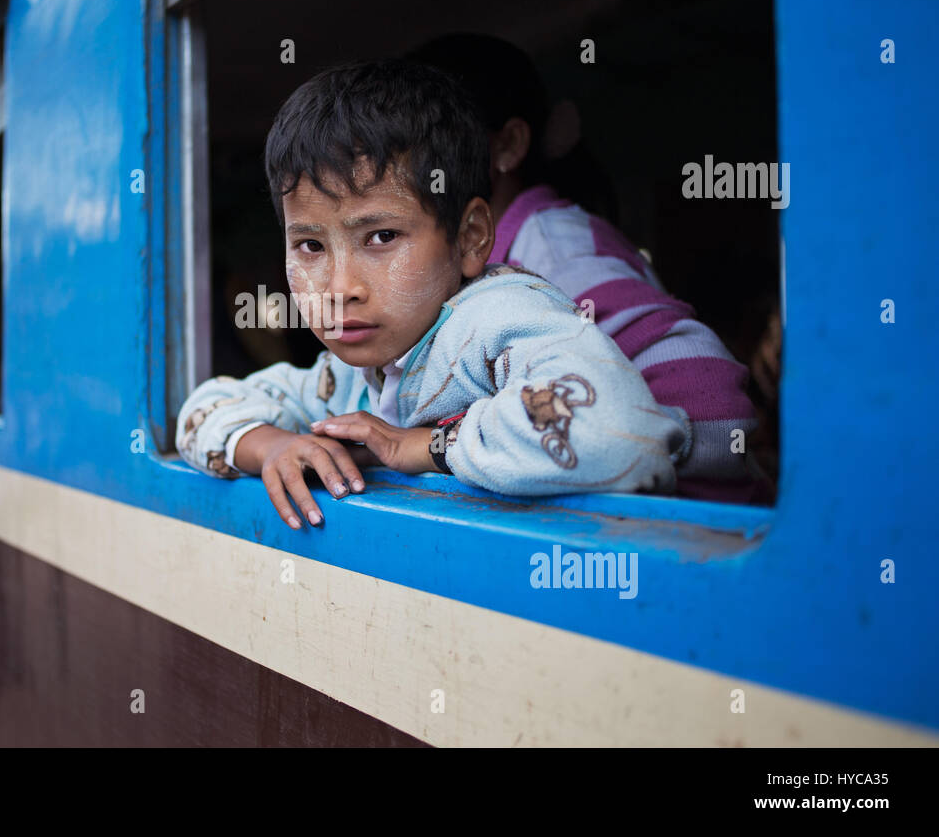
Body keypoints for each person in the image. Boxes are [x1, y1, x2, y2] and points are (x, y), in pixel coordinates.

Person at [176, 60, 691, 530]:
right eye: (310, 245)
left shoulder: (497, 320)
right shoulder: (346, 379)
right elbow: (203, 408)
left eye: (381, 238)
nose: (339, 289)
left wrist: (423, 445)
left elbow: (619, 436)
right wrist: (272, 446)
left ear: (470, 238)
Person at [406, 34, 765, 503]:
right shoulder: (489, 260)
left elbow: (716, 410)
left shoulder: (555, 251)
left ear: (509, 145)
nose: (406, 169)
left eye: (430, 143)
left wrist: (646, 486)